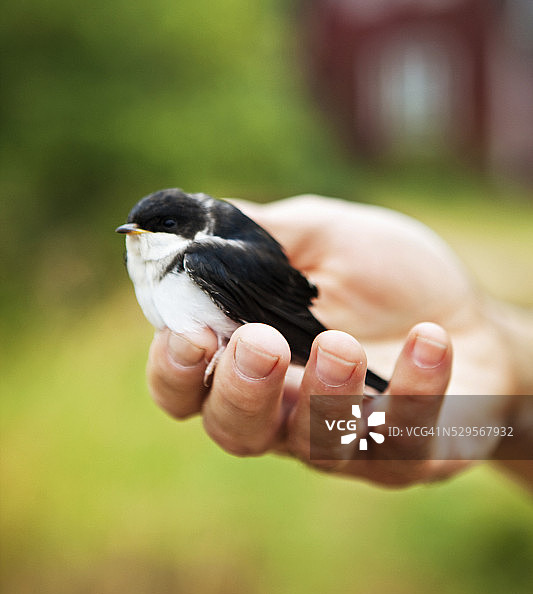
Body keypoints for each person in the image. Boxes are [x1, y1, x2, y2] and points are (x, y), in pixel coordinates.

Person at [145, 195, 533, 488]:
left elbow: (276, 306)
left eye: (160, 225)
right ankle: (376, 385)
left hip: (281, 314)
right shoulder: (157, 262)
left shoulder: (200, 259)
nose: (140, 235)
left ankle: (374, 384)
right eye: (137, 227)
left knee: (284, 354)